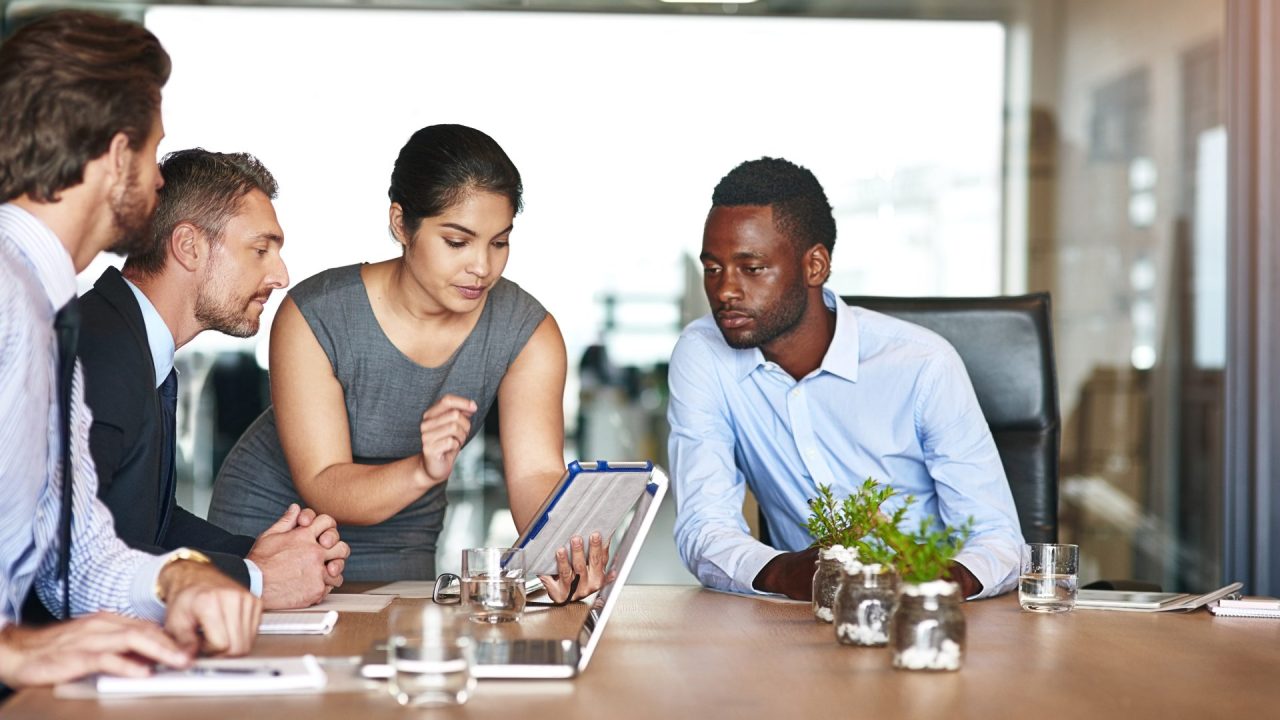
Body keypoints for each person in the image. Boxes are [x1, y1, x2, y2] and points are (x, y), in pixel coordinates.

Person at [209, 124, 605, 601]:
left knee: (394, 658)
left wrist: (568, 547)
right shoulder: (315, 314)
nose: (482, 266)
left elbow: (533, 473)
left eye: (499, 242)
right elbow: (323, 482)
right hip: (280, 528)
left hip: (404, 534)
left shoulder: (528, 331)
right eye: (458, 242)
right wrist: (423, 469)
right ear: (401, 224)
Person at [0, 11, 259, 693]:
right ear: (119, 158)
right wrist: (12, 655)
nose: (158, 180)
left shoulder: (46, 307)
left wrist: (181, 577)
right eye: (153, 155)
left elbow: (78, 557)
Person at [667, 157, 1024, 601]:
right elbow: (705, 528)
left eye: (752, 268)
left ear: (815, 266)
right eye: (713, 268)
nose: (725, 291)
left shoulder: (923, 365)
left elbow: (1000, 540)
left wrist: (933, 584)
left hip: (934, 618)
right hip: (806, 623)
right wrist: (786, 572)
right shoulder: (704, 354)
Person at [77, 148, 351, 611]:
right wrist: (254, 579)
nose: (280, 275)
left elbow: (147, 525)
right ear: (188, 246)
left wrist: (258, 556)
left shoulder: (131, 343)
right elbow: (74, 562)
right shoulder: (100, 353)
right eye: (260, 250)